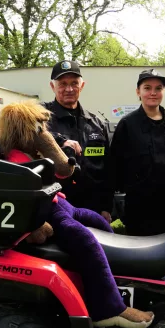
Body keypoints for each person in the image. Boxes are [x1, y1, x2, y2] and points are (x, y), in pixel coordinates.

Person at [0, 101, 154, 328]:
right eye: (38, 129)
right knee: (84, 239)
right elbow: (16, 199)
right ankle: (108, 309)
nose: (43, 133)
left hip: (61, 204)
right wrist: (33, 228)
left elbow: (59, 169)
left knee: (97, 222)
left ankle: (112, 281)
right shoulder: (16, 161)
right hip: (49, 213)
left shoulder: (31, 153)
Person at [110, 69, 165, 236]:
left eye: (158, 88)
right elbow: (114, 166)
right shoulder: (127, 125)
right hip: (140, 209)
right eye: (147, 88)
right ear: (138, 92)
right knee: (142, 259)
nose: (153, 93)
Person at [42, 60, 113, 221]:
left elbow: (108, 169)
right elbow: (23, 131)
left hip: (93, 207)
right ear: (53, 86)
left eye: (74, 83)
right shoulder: (41, 116)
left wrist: (107, 207)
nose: (69, 89)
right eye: (62, 84)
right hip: (57, 208)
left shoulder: (95, 123)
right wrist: (59, 141)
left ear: (82, 86)